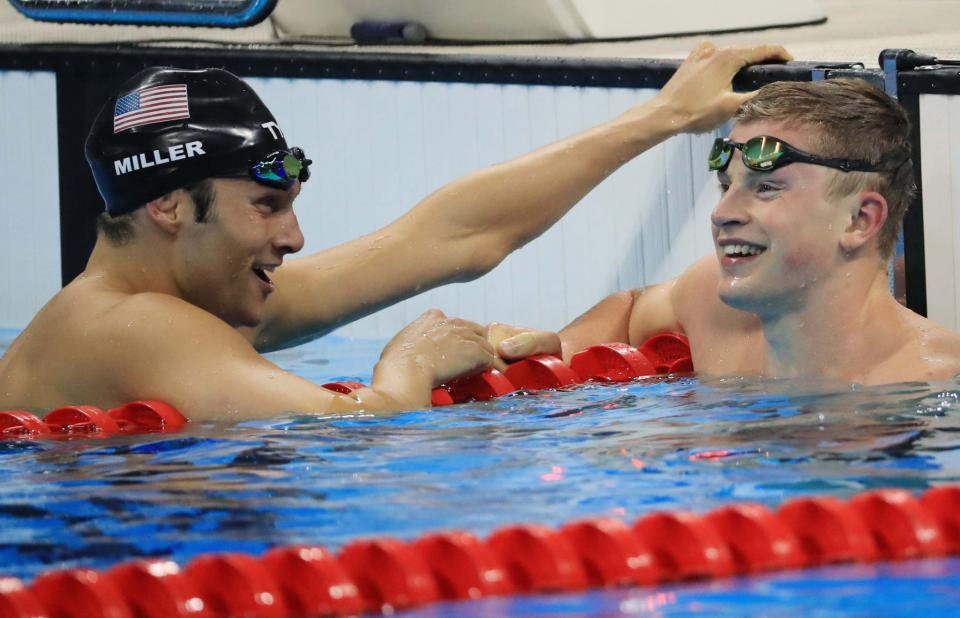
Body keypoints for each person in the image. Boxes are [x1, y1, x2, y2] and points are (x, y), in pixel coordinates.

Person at [0, 43, 790, 419]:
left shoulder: (176, 304)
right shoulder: (138, 326)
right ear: (169, 207)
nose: (296, 238)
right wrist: (409, 365)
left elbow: (448, 238)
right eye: (266, 207)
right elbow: (358, 431)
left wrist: (663, 116)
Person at [550, 77, 960, 384]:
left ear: (860, 220)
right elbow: (630, 308)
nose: (722, 213)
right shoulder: (711, 301)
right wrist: (557, 352)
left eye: (766, 188)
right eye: (727, 186)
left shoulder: (933, 381)